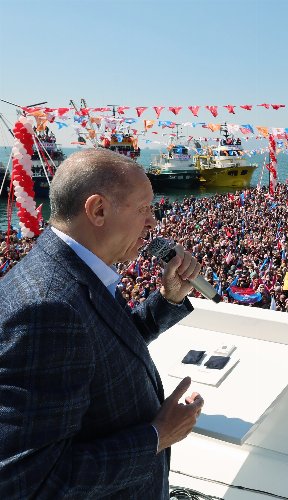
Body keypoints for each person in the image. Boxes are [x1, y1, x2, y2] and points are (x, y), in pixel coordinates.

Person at [0, 149, 204, 498]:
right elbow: (31, 482)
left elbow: (109, 342)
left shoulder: (76, 272)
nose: (153, 222)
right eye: (143, 209)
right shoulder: (47, 307)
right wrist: (158, 435)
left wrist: (168, 298)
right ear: (98, 210)